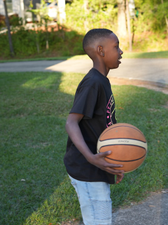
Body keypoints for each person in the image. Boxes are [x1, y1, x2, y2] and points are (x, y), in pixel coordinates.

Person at [64, 28, 124, 225]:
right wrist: (90, 157)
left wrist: (115, 160)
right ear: (100, 50)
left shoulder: (102, 81)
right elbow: (71, 122)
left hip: (96, 165)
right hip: (87, 168)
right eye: (116, 47)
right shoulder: (93, 83)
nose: (121, 51)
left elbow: (103, 126)